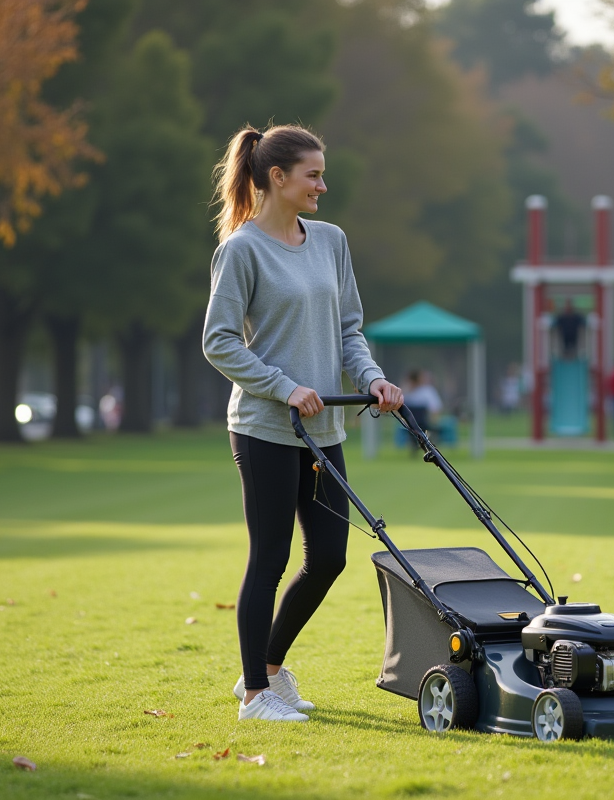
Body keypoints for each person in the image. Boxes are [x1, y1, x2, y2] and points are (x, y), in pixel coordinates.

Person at [202, 124, 403, 722]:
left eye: (321, 173)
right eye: (312, 175)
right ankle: (255, 697)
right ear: (277, 177)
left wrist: (372, 379)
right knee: (269, 558)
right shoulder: (241, 250)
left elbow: (348, 330)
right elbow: (218, 341)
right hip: (264, 427)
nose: (322, 185)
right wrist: (284, 386)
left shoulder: (331, 241)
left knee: (330, 557)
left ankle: (266, 670)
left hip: (323, 430)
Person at [403, 369, 443, 436]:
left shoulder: (405, 393)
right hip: (424, 423)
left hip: (408, 424)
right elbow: (435, 409)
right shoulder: (428, 391)